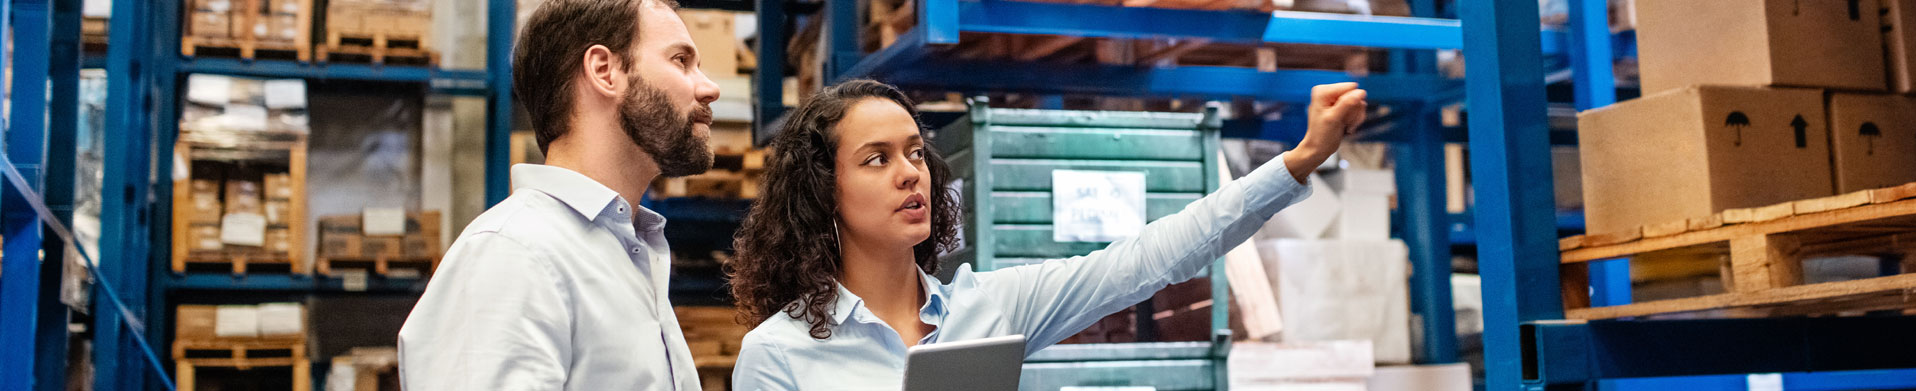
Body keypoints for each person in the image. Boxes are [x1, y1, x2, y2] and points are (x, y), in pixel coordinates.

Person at [726, 79, 1367, 388]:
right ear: (821, 190)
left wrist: (1300, 160)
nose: (908, 174)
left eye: (915, 153)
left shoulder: (993, 308)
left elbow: (1151, 257)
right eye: (876, 159)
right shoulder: (777, 355)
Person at [396, 0, 721, 388]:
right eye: (681, 61)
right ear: (604, 71)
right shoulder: (513, 254)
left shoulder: (626, 253)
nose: (709, 88)